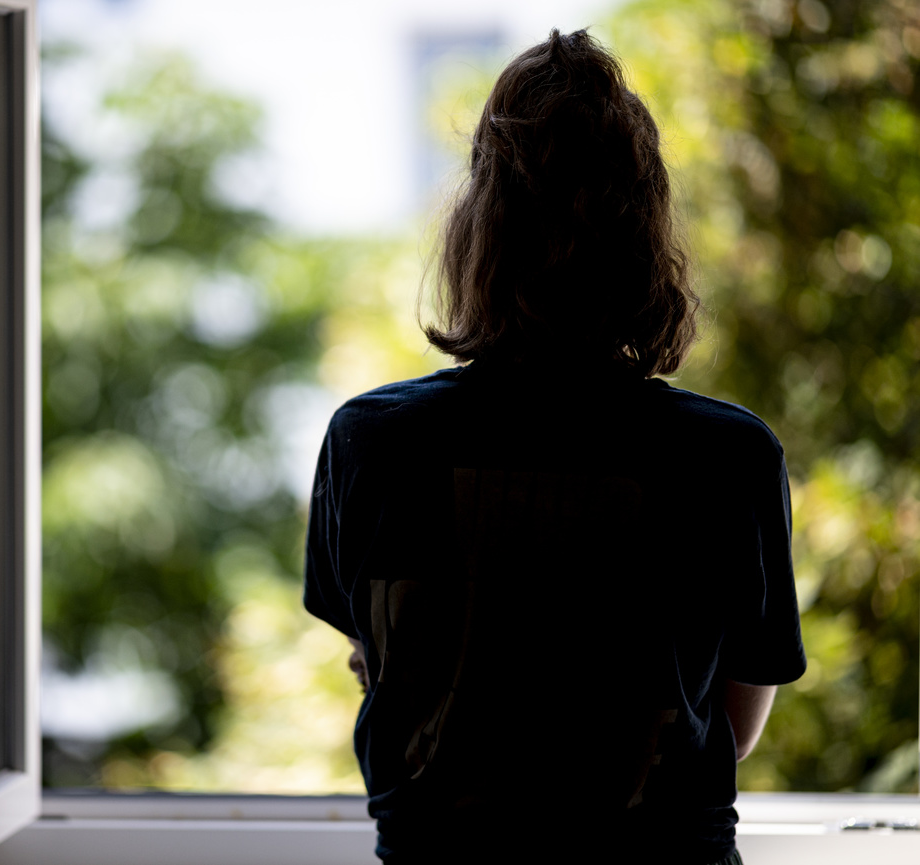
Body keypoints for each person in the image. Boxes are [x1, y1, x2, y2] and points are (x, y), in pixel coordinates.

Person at [303, 29, 806, 865]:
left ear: (475, 230)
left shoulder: (372, 441)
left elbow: (388, 670)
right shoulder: (731, 457)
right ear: (648, 238)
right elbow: (732, 726)